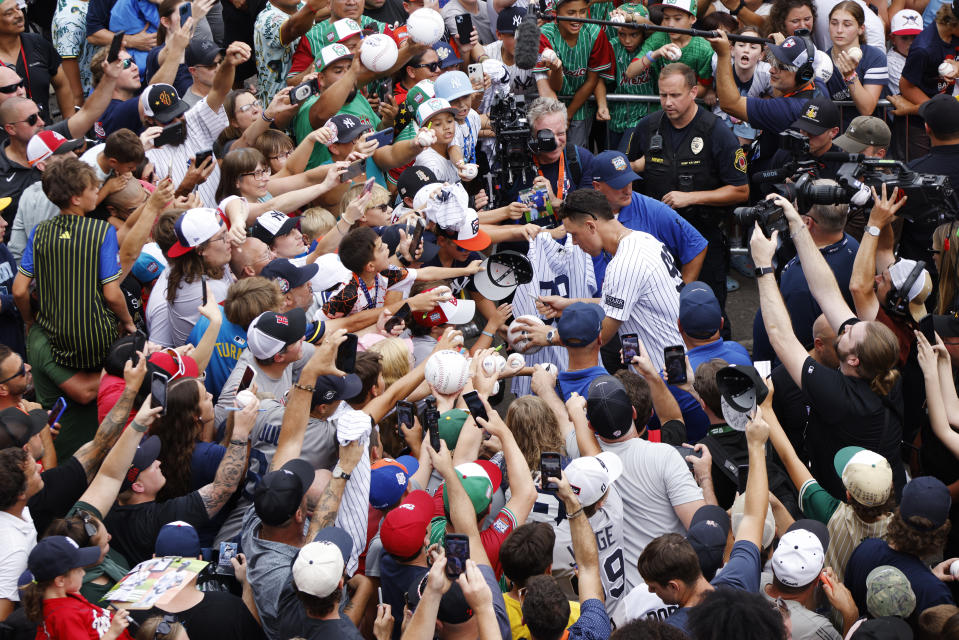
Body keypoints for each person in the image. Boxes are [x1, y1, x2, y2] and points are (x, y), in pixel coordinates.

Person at [751, 192, 907, 500]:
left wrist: (762, 267)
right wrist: (797, 225)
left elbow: (781, 336)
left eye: (849, 334)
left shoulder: (841, 397)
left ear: (851, 361)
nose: (845, 327)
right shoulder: (884, 372)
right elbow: (827, 292)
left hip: (852, 509)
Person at [562, 375, 704, 595]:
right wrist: (705, 479)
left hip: (627, 603)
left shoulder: (587, 462)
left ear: (591, 425)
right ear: (634, 413)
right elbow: (700, 527)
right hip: (672, 591)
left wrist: (574, 411)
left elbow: (571, 430)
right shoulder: (665, 455)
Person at [628, 63, 748, 322]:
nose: (668, 102)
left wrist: (692, 197)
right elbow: (627, 180)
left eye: (675, 95)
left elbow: (741, 190)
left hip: (704, 235)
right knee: (656, 312)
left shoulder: (716, 132)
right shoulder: (647, 128)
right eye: (663, 95)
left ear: (693, 92)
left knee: (706, 313)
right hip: (656, 240)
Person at [635, 405, 770, 633]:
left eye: (653, 588)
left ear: (674, 586)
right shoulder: (738, 581)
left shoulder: (671, 633)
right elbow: (754, 515)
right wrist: (756, 446)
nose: (650, 593)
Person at [525, 188, 683, 372]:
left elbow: (599, 337)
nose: (574, 242)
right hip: (674, 360)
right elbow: (620, 302)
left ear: (591, 226)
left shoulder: (624, 264)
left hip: (670, 374)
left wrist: (550, 336)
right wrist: (569, 304)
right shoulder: (643, 239)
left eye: (574, 234)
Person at [102, 391, 258, 566]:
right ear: (138, 486)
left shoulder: (106, 511)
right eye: (149, 463)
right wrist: (241, 433)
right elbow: (222, 489)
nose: (157, 462)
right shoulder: (157, 519)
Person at [753, 180, 859, 360]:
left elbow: (791, 342)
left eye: (794, 208)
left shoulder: (801, 284)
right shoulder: (852, 245)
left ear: (807, 222)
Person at [844, 477, 957, 626]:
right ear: (941, 533)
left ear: (898, 514)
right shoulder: (935, 595)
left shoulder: (865, 549)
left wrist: (929, 576)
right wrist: (928, 580)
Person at [590, 150, 707, 287]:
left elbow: (696, 245)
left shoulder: (654, 211)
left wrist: (681, 295)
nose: (627, 190)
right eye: (619, 185)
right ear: (597, 186)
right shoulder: (583, 212)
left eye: (629, 181)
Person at [709, 32, 825, 170]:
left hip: (769, 181)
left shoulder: (788, 109)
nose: (771, 69)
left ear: (803, 75)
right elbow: (782, 90)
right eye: (775, 62)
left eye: (781, 67)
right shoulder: (817, 86)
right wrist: (783, 50)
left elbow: (729, 104)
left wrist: (723, 56)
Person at [532, 0, 614, 147]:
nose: (577, 18)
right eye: (571, 13)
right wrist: (557, 70)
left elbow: (592, 80)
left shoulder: (595, 33)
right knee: (552, 150)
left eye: (582, 11)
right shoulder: (545, 34)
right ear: (556, 14)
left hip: (581, 106)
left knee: (576, 155)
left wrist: (569, 114)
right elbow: (555, 86)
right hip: (551, 104)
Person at [19, 536, 133, 639]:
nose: (83, 573)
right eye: (79, 570)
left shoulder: (66, 596)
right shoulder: (64, 616)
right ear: (60, 580)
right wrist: (112, 633)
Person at [824, 1, 886, 122]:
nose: (839, 30)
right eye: (834, 23)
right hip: (835, 135)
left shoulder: (875, 57)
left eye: (847, 24)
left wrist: (850, 76)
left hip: (867, 135)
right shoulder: (822, 59)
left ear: (860, 29)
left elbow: (867, 109)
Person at [0, 447, 43, 620]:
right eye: (33, 472)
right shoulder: (14, 550)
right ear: (21, 494)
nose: (40, 468)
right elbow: (3, 619)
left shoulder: (20, 512)